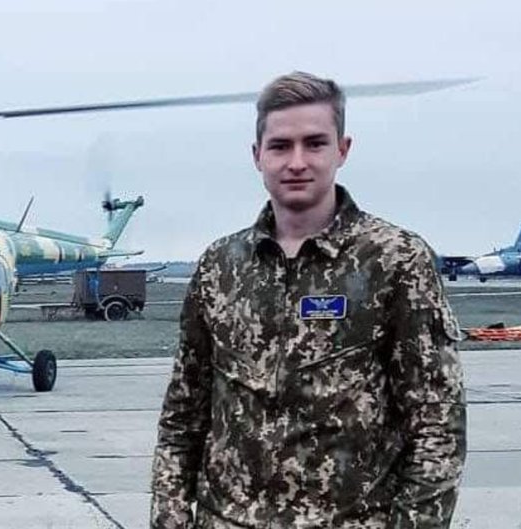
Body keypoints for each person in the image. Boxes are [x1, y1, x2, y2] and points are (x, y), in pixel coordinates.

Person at [150, 71, 466, 528]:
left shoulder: (394, 261)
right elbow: (182, 419)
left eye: (314, 143)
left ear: (343, 150)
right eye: (280, 146)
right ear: (257, 156)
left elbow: (437, 426)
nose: (296, 161)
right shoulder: (220, 266)